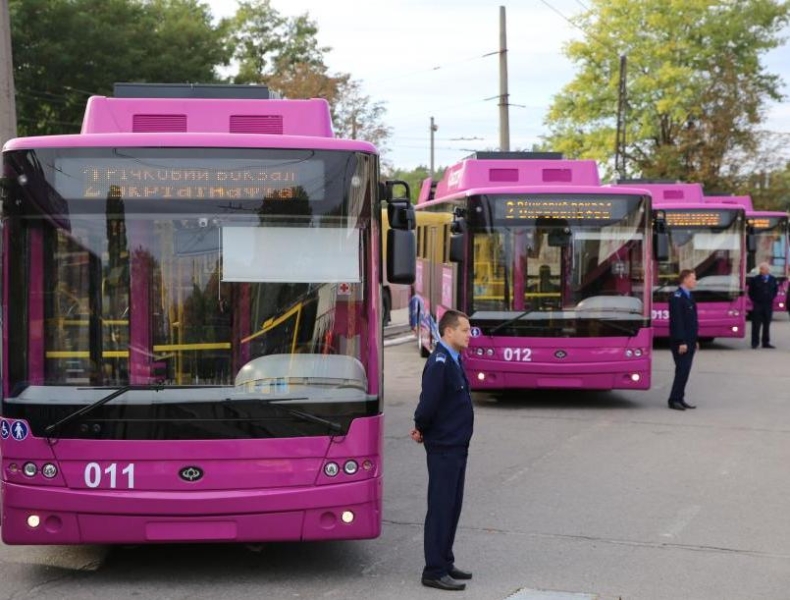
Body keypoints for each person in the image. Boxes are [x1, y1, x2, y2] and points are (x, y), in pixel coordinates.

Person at [410, 309, 474, 591]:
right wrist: (420, 427)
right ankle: (433, 570)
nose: (469, 335)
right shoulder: (439, 362)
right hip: (444, 447)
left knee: (452, 506)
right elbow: (428, 404)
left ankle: (446, 561)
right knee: (440, 508)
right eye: (465, 330)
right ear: (449, 332)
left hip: (457, 446)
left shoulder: (454, 359)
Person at [668, 269, 699, 411]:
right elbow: (677, 322)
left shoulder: (689, 296)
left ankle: (680, 398)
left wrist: (695, 339)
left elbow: (692, 321)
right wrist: (681, 341)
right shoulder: (677, 297)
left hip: (690, 341)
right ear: (685, 279)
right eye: (693, 278)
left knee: (685, 371)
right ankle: (674, 399)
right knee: (682, 370)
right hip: (681, 342)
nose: (695, 281)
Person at [748, 262, 778, 349]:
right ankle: (755, 342)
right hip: (758, 305)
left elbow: (775, 290)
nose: (764, 270)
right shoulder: (755, 279)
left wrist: (771, 297)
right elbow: (751, 292)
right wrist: (755, 300)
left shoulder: (773, 279)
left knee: (767, 325)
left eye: (766, 269)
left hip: (768, 305)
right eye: (762, 269)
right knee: (756, 325)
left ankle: (766, 342)